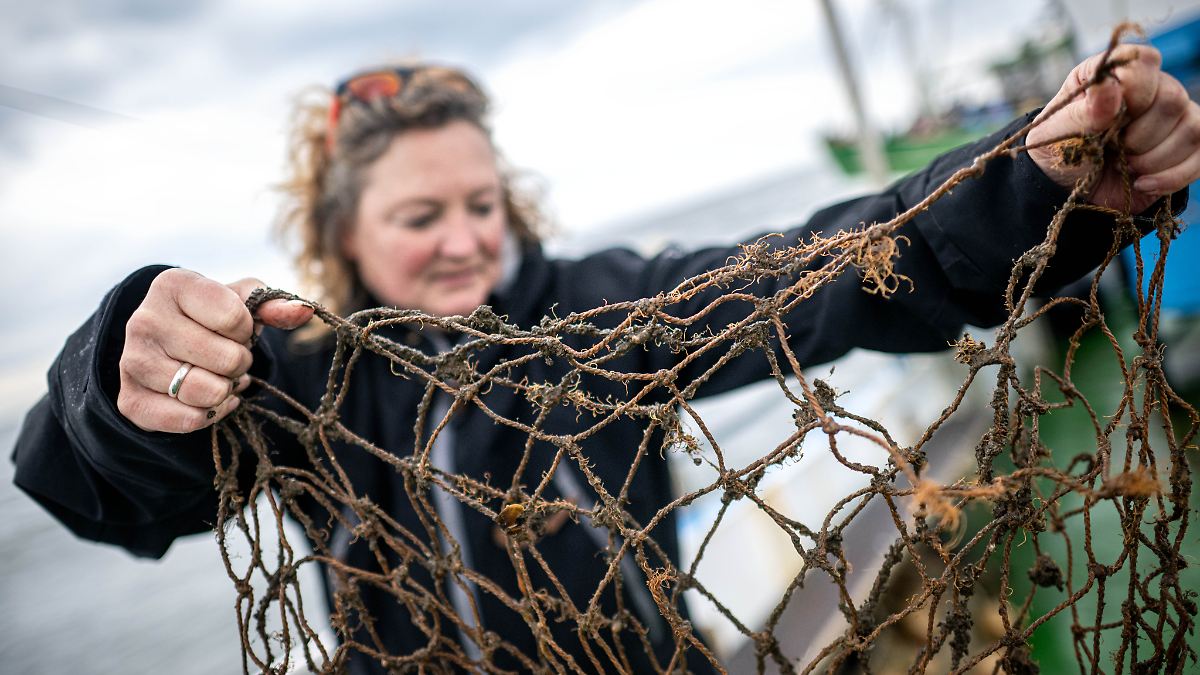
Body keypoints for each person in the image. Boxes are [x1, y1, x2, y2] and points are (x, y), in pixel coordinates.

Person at [11, 45, 1199, 673]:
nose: (465, 239)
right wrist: (120, 372)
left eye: (483, 204)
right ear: (341, 235)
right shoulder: (299, 377)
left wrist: (1033, 184)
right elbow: (101, 495)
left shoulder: (604, 312)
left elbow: (831, 270)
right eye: (420, 216)